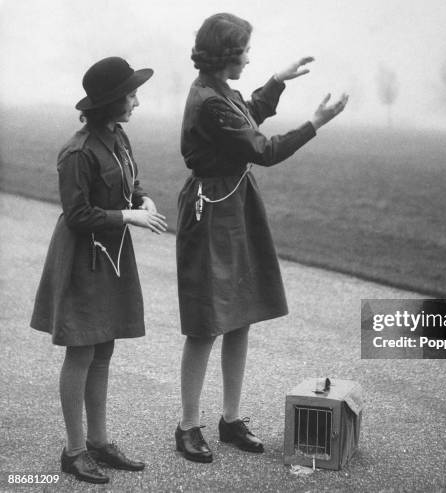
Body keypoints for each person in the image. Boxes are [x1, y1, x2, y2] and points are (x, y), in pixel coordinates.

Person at [175, 12, 348, 463]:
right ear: (226, 54)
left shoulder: (219, 92)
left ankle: (230, 420)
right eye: (245, 52)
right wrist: (315, 124)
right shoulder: (208, 100)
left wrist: (276, 79)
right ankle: (188, 425)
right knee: (206, 323)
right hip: (212, 208)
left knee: (240, 314)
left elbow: (246, 113)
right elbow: (262, 149)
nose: (249, 58)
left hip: (235, 202)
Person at [30, 56, 168, 484]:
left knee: (104, 348)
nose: (136, 102)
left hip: (110, 255)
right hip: (83, 258)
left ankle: (99, 442)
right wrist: (128, 217)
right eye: (130, 94)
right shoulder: (77, 152)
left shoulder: (118, 138)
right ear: (110, 102)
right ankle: (73, 452)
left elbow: (130, 181)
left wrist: (141, 199)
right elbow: (77, 215)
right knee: (83, 350)